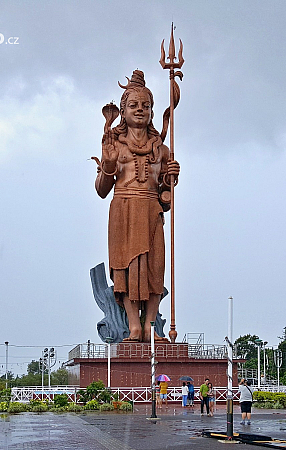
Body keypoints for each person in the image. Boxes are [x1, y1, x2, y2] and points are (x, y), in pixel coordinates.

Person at [95, 69, 180, 343]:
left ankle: (150, 327)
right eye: (133, 105)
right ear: (123, 111)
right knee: (126, 271)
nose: (140, 110)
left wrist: (171, 180)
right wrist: (107, 166)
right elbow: (101, 191)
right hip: (123, 209)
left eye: (146, 105)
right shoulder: (114, 146)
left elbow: (166, 199)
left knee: (155, 269)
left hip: (151, 210)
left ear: (153, 111)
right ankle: (133, 326)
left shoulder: (162, 150)